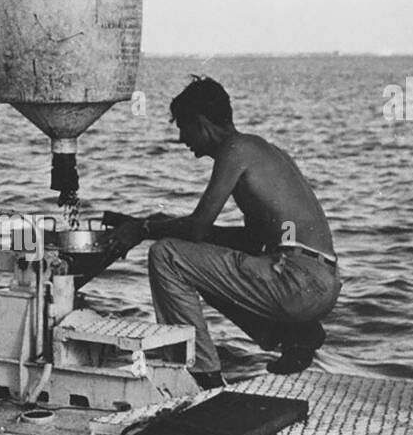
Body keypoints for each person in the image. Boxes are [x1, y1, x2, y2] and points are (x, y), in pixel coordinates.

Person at [107, 76, 340, 388]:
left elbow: (196, 228)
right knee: (194, 262)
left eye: (182, 128)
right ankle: (294, 335)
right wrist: (149, 224)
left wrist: (146, 227)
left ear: (201, 124)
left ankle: (201, 374)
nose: (181, 139)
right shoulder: (262, 151)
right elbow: (246, 242)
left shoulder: (235, 148)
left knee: (165, 255)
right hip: (320, 282)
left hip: (296, 282)